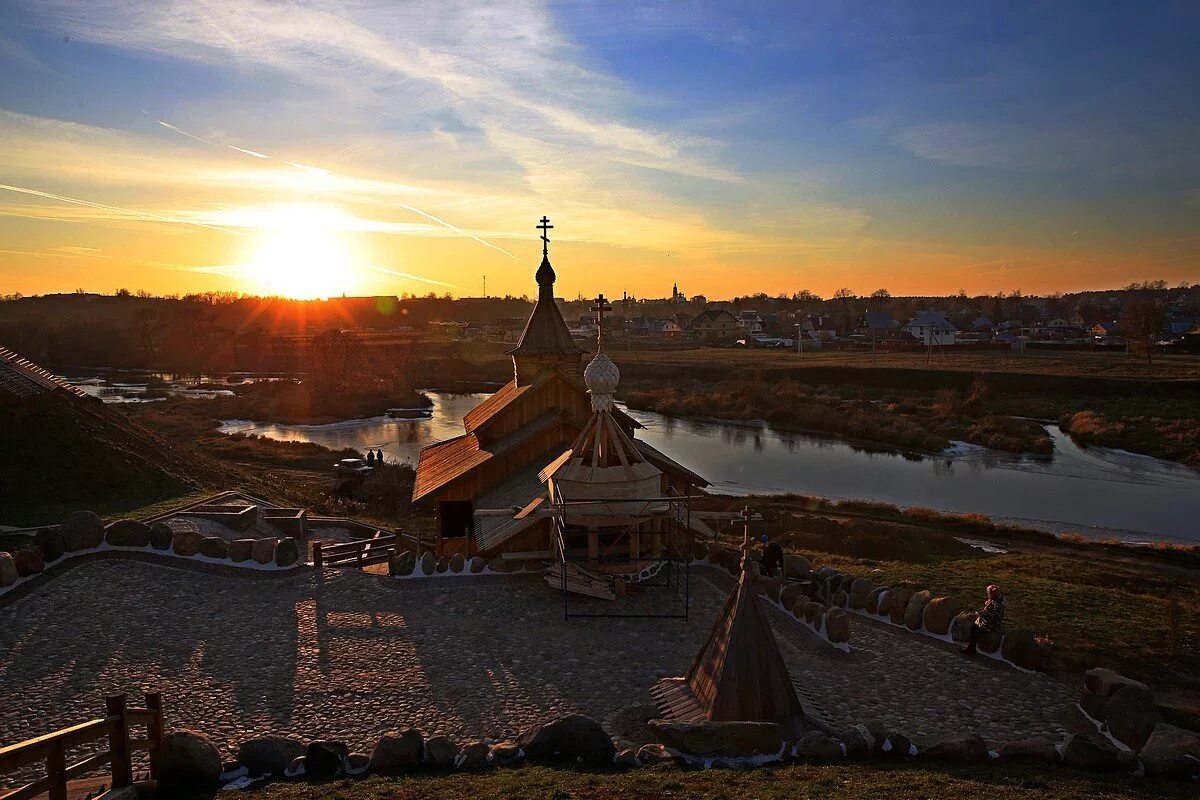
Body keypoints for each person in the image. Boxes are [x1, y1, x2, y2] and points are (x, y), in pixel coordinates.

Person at [962, 584, 1007, 656]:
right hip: (991, 621)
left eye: (989, 594)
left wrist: (981, 615)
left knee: (974, 629)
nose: (988, 595)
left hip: (992, 624)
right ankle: (971, 648)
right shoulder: (999, 598)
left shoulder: (997, 603)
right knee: (975, 627)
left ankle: (971, 649)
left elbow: (995, 617)